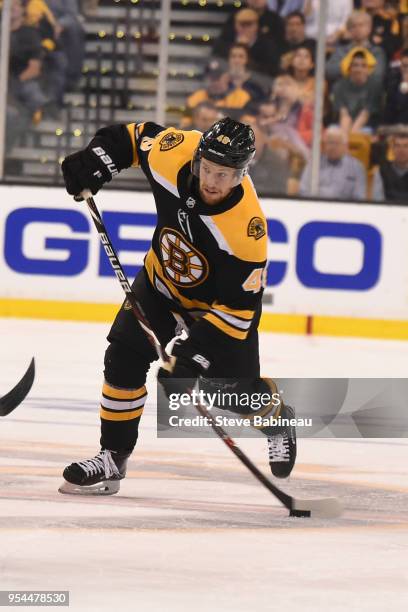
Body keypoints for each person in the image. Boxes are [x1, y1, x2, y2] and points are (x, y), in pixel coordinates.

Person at [59, 117, 297, 495]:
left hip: (216, 311)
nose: (211, 181)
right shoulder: (175, 151)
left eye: (224, 174)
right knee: (123, 355)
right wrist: (96, 160)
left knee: (230, 393)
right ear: (199, 156)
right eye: (207, 168)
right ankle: (112, 458)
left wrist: (191, 358)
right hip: (161, 283)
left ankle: (277, 419)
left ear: (241, 174)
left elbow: (238, 312)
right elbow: (132, 138)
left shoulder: (247, 233)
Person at [300, 125, 367, 200]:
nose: (332, 147)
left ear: (345, 146)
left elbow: (359, 197)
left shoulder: (356, 167)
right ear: (324, 145)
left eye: (337, 143)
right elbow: (303, 190)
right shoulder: (314, 163)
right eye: (330, 142)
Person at [212, 8, 280, 76]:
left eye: (249, 25)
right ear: (235, 25)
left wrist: (246, 49)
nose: (245, 28)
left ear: (256, 26)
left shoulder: (267, 45)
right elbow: (216, 62)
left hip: (257, 81)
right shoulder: (224, 42)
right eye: (242, 25)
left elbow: (271, 69)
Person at [326, 11, 386, 86]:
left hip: (368, 93)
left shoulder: (377, 51)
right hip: (344, 91)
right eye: (353, 26)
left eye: (361, 25)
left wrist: (347, 67)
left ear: (369, 28)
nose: (357, 29)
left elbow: (377, 75)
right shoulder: (341, 51)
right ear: (349, 30)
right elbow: (329, 71)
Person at [331, 50, 383, 133]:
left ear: (368, 69)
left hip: (366, 126)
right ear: (349, 68)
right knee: (331, 131)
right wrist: (346, 138)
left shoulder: (375, 86)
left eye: (363, 66)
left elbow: (365, 114)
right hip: (344, 125)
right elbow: (344, 114)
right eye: (355, 65)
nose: (359, 69)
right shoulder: (339, 86)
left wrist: (353, 136)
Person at [372, 132, 408, 202]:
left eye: (406, 146)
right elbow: (377, 201)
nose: (401, 150)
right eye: (398, 146)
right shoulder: (381, 171)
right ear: (392, 149)